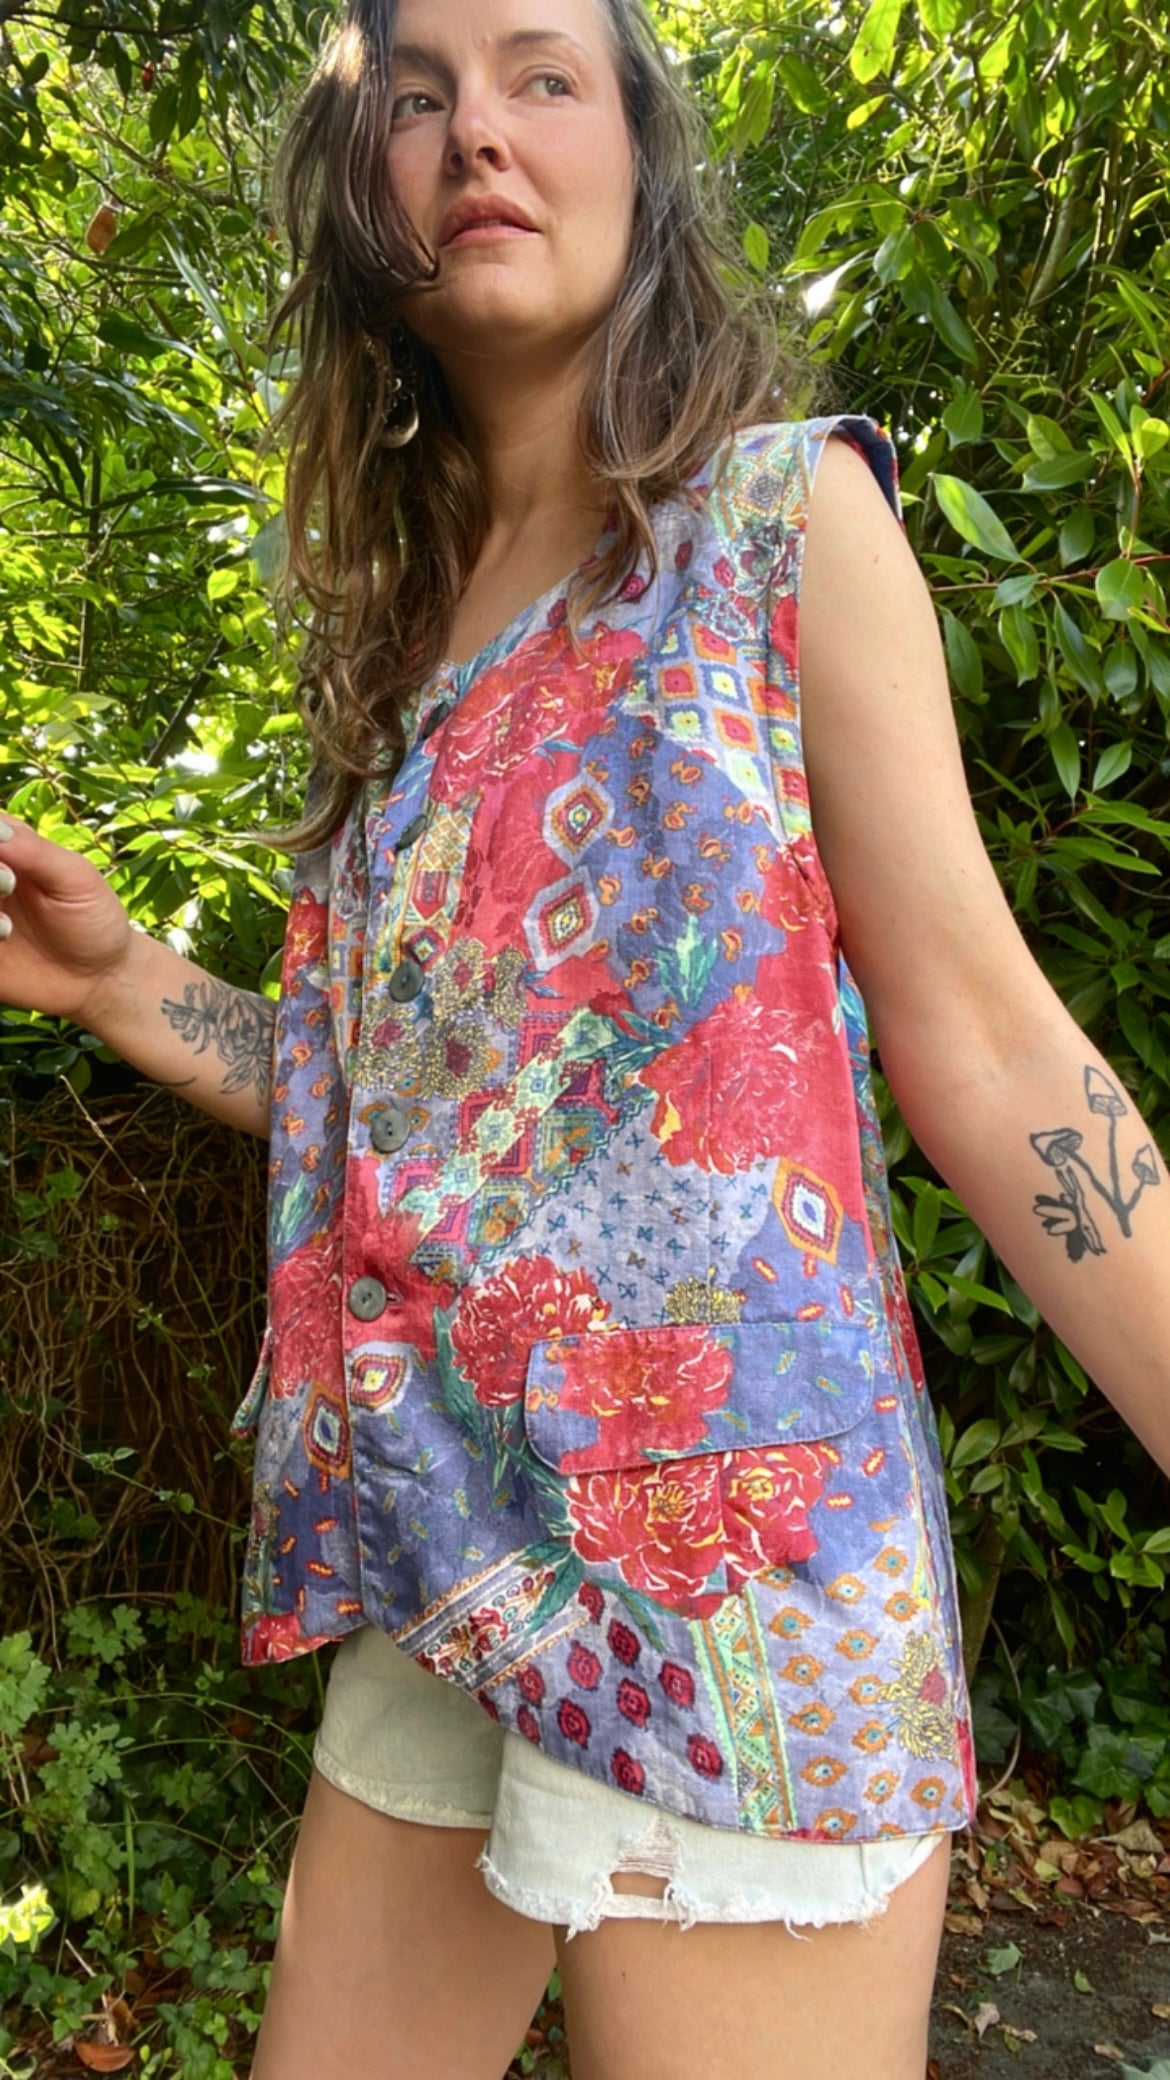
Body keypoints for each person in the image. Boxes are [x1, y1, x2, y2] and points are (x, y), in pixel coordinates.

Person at [2, 0, 1168, 2074]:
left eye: (541, 75)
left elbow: (992, 1049)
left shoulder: (781, 525)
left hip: (734, 1589)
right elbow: (402, 1126)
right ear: (364, 203)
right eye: (418, 95)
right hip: (440, 1563)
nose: (478, 131)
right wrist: (115, 983)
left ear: (641, 152)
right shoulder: (396, 640)